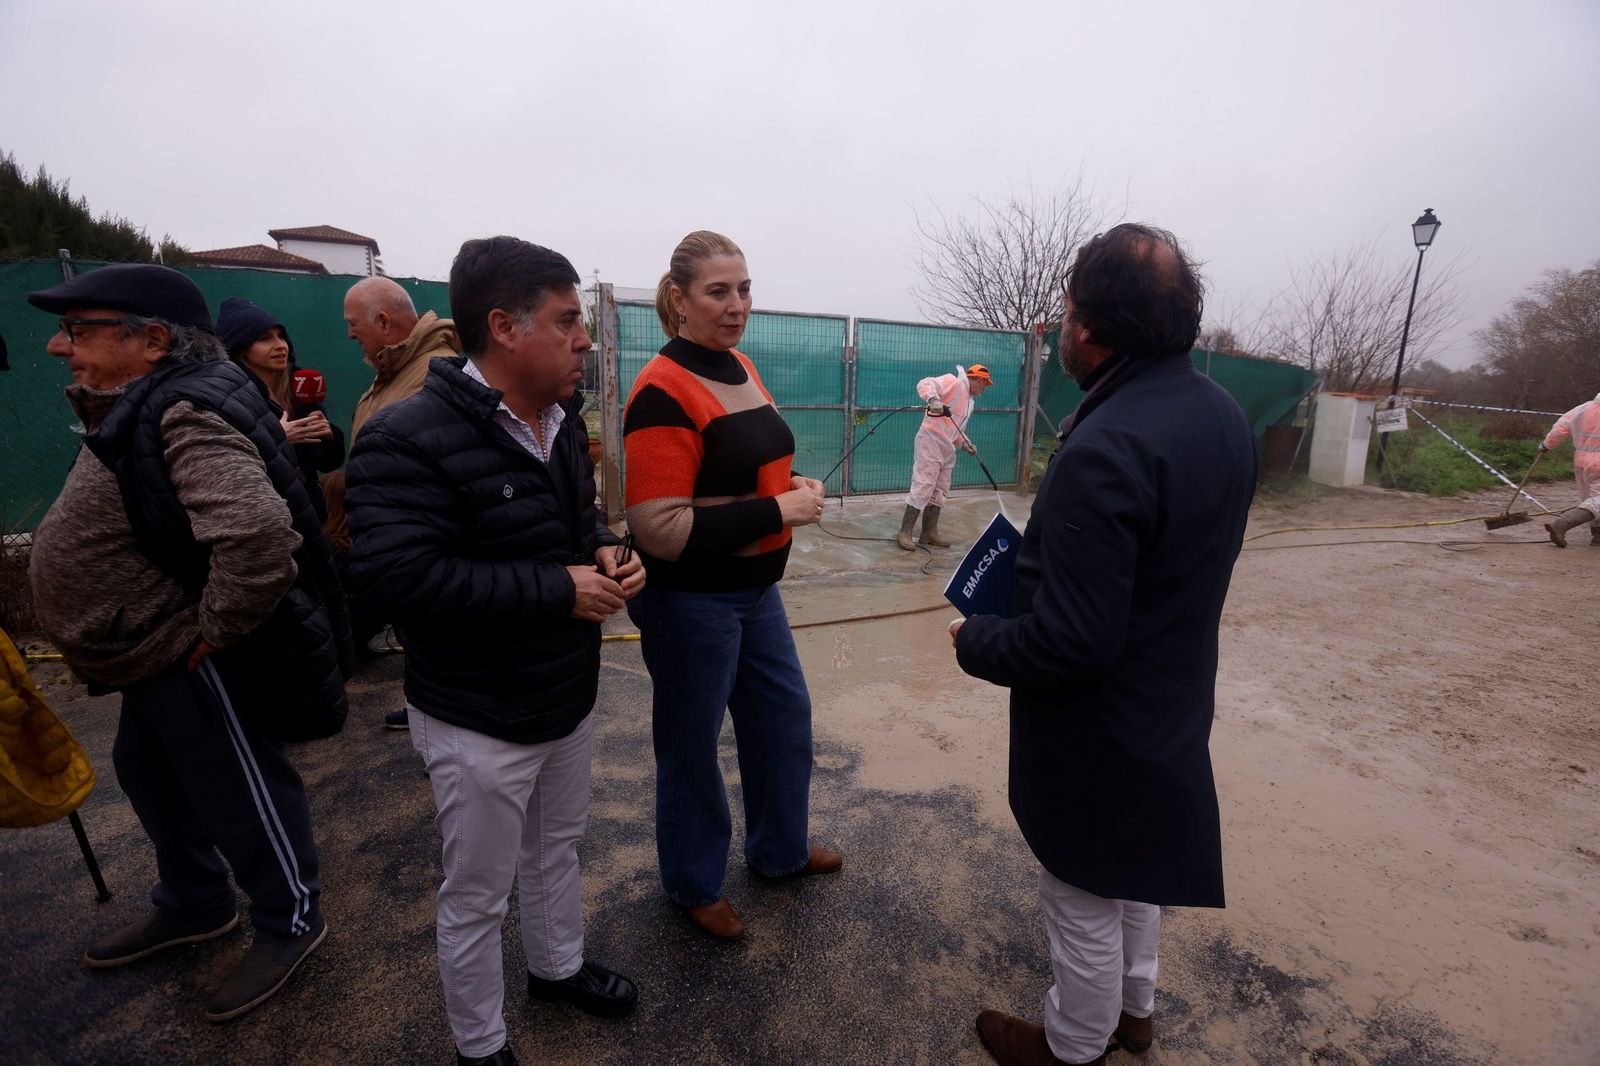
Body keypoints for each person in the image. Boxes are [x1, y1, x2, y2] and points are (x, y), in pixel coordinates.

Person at [951, 224, 1258, 1066]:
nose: (1061, 326)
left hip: (1101, 726)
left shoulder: (1109, 443)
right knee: (1135, 867)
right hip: (1171, 699)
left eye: (1067, 310)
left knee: (1082, 887)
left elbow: (1072, 642)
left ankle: (1074, 1045)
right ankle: (1135, 1012)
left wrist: (976, 638)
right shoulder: (1221, 415)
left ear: (1091, 326)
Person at [25, 264, 351, 1023]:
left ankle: (291, 918)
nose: (58, 347)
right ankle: (196, 901)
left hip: (183, 650)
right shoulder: (150, 400)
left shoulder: (182, 409)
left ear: (153, 341)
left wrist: (213, 630)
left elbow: (259, 538)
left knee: (237, 789)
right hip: (146, 652)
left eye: (78, 331)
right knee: (147, 772)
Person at [346, 237, 642, 1066]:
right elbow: (402, 580)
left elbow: (573, 527)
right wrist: (557, 589)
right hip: (478, 715)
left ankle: (557, 968)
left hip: (562, 693)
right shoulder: (405, 437)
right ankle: (480, 1044)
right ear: (505, 327)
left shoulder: (558, 420)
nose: (584, 338)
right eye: (568, 320)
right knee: (477, 892)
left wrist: (606, 547)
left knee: (556, 849)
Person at [622, 229, 841, 942]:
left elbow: (749, 461)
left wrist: (793, 482)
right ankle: (693, 882)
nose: (737, 304)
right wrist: (779, 511)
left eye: (744, 289)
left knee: (783, 719)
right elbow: (658, 527)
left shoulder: (738, 365)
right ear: (679, 299)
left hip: (756, 591)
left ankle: (780, 850)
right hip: (691, 601)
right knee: (691, 745)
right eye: (718, 291)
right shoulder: (661, 390)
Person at [324, 275, 459, 721]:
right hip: (395, 534)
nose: (348, 333)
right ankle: (426, 707)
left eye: (352, 323)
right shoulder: (394, 371)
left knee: (435, 633)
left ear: (383, 322)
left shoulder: (434, 372)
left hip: (418, 537)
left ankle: (439, 714)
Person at [217, 296, 345, 521]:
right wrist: (278, 437)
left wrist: (328, 436)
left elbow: (327, 463)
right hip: (263, 516)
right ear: (241, 347)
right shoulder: (227, 396)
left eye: (281, 336)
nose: (280, 345)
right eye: (265, 339)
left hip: (310, 513)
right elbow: (224, 467)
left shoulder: (301, 386)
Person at [897, 363, 993, 551]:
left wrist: (965, 443)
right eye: (985, 385)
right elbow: (925, 383)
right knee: (923, 484)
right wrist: (934, 400)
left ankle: (929, 533)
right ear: (979, 380)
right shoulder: (953, 382)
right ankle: (905, 532)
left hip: (947, 448)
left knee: (940, 489)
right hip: (931, 441)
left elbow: (956, 430)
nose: (984, 389)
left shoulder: (969, 403)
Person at [1539, 390, 1600, 547]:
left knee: (1591, 499)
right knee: (1598, 501)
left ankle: (1598, 535)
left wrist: (1546, 445)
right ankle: (1562, 524)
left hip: (1582, 462)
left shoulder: (1582, 408)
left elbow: (1560, 428)